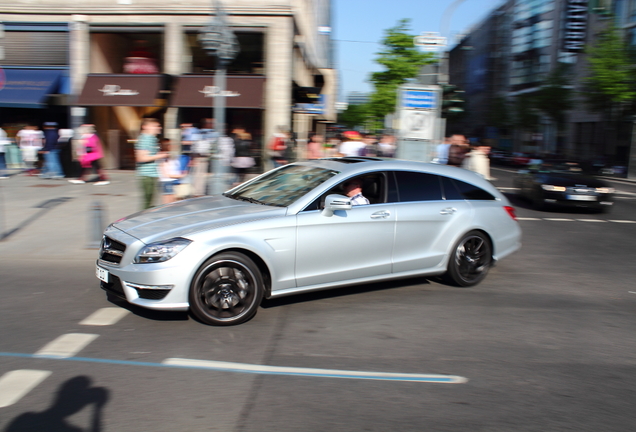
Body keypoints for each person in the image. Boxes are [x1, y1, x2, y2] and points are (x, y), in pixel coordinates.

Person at [135, 118, 169, 209]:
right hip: (147, 175)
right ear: (145, 127)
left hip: (152, 174)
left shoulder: (151, 138)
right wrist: (160, 156)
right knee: (147, 203)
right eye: (155, 126)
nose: (159, 127)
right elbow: (140, 157)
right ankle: (141, 221)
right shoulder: (146, 139)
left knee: (149, 202)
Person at [159, 138, 187, 204]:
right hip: (167, 182)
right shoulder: (163, 157)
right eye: (171, 144)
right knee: (169, 205)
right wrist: (181, 176)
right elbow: (166, 174)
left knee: (174, 203)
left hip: (173, 182)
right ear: (167, 146)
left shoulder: (170, 156)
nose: (173, 146)